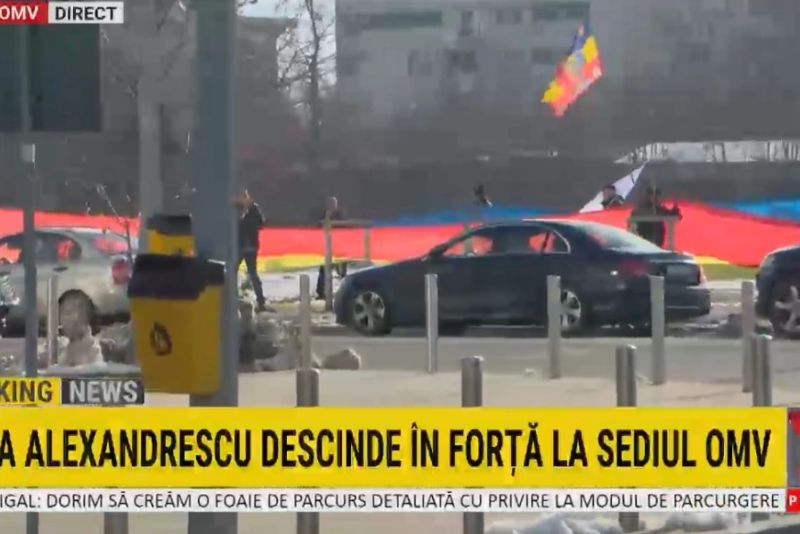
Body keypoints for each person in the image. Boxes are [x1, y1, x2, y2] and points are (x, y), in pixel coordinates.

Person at [234, 189, 267, 311]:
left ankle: (261, 301)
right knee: (232, 272)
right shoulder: (236, 210)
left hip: (250, 245)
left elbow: (261, 224)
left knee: (252, 274)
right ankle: (234, 298)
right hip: (239, 245)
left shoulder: (253, 209)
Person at [631, 183, 681, 248]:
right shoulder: (641, 210)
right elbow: (633, 225)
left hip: (657, 242)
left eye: (658, 196)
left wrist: (675, 212)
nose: (656, 198)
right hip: (645, 241)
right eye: (653, 195)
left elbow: (674, 217)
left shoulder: (659, 209)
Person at [316, 196, 347, 300]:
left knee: (342, 271)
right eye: (330, 204)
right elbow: (319, 228)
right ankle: (321, 292)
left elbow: (344, 229)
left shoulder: (340, 216)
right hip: (326, 247)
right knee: (324, 270)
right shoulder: (323, 215)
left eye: (334, 204)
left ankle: (344, 290)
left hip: (338, 246)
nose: (332, 206)